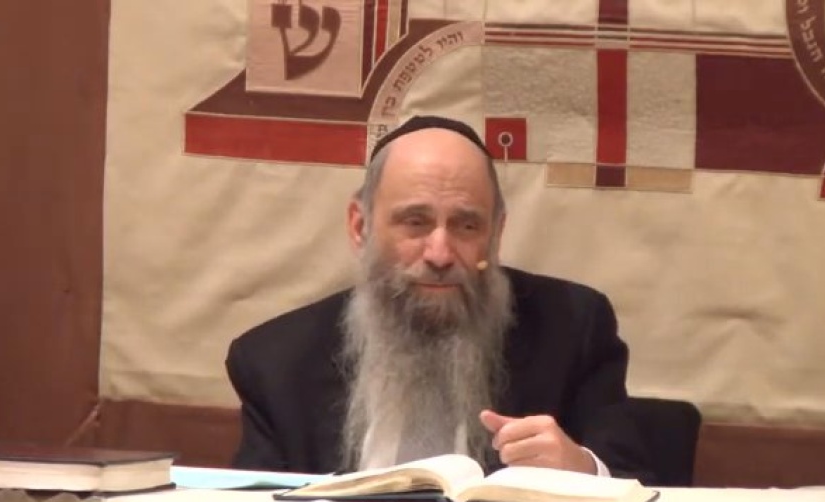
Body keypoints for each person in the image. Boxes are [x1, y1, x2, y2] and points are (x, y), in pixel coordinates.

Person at [226, 115, 652, 479]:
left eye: (467, 226)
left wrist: (583, 470)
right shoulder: (276, 362)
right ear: (360, 227)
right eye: (415, 222)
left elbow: (637, 480)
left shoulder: (573, 327)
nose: (440, 254)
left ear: (496, 233)